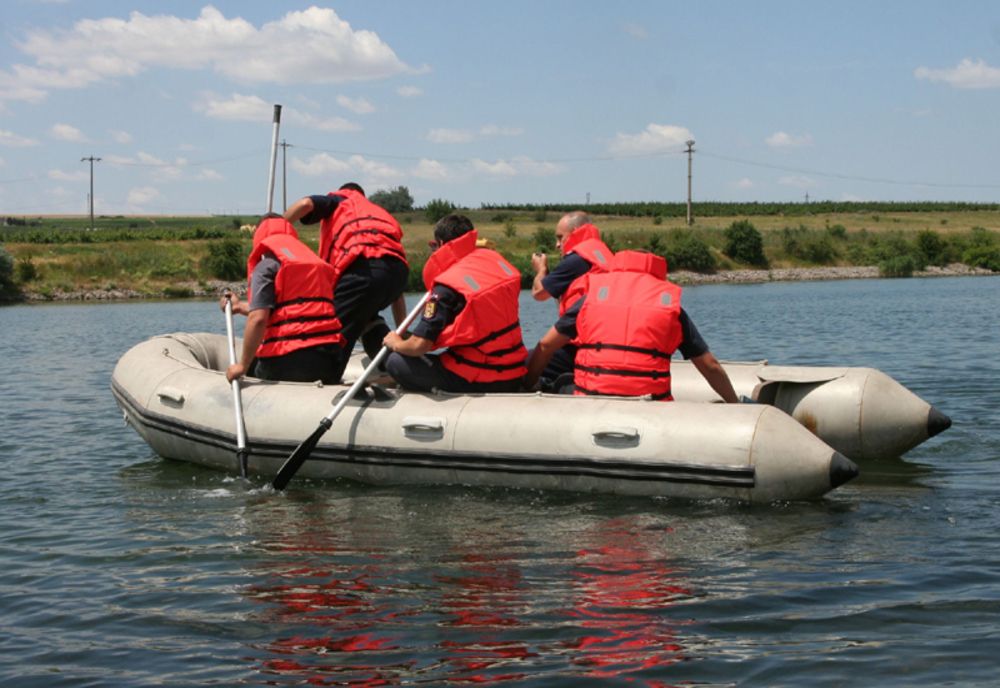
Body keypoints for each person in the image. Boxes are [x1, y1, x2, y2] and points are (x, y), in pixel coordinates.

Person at [524, 250, 739, 403]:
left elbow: (545, 346)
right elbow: (709, 365)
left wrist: (528, 385)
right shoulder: (668, 305)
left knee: (562, 382)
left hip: (592, 399)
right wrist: (734, 404)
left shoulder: (592, 298)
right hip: (650, 402)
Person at [382, 214, 527, 393]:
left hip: (478, 376)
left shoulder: (445, 288)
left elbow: (419, 345)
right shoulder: (495, 267)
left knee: (395, 360)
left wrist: (395, 342)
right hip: (514, 371)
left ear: (441, 244)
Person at [284, 182, 408, 362]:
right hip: (398, 274)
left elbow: (305, 205)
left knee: (330, 330)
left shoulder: (340, 199)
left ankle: (326, 374)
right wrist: (400, 331)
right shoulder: (377, 212)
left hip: (363, 271)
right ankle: (393, 366)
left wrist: (275, 227)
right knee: (365, 316)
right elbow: (396, 292)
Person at [220, 215, 347, 384]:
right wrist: (238, 306)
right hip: (331, 359)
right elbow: (296, 309)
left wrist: (242, 366)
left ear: (259, 237)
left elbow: (258, 318)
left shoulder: (266, 267)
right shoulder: (318, 264)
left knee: (251, 368)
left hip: (288, 360)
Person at [530, 211, 613, 384]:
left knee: (526, 360)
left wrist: (541, 271)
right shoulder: (603, 254)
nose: (557, 245)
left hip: (580, 349)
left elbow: (539, 294)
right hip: (603, 345)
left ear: (574, 232)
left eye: (560, 238)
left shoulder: (576, 260)